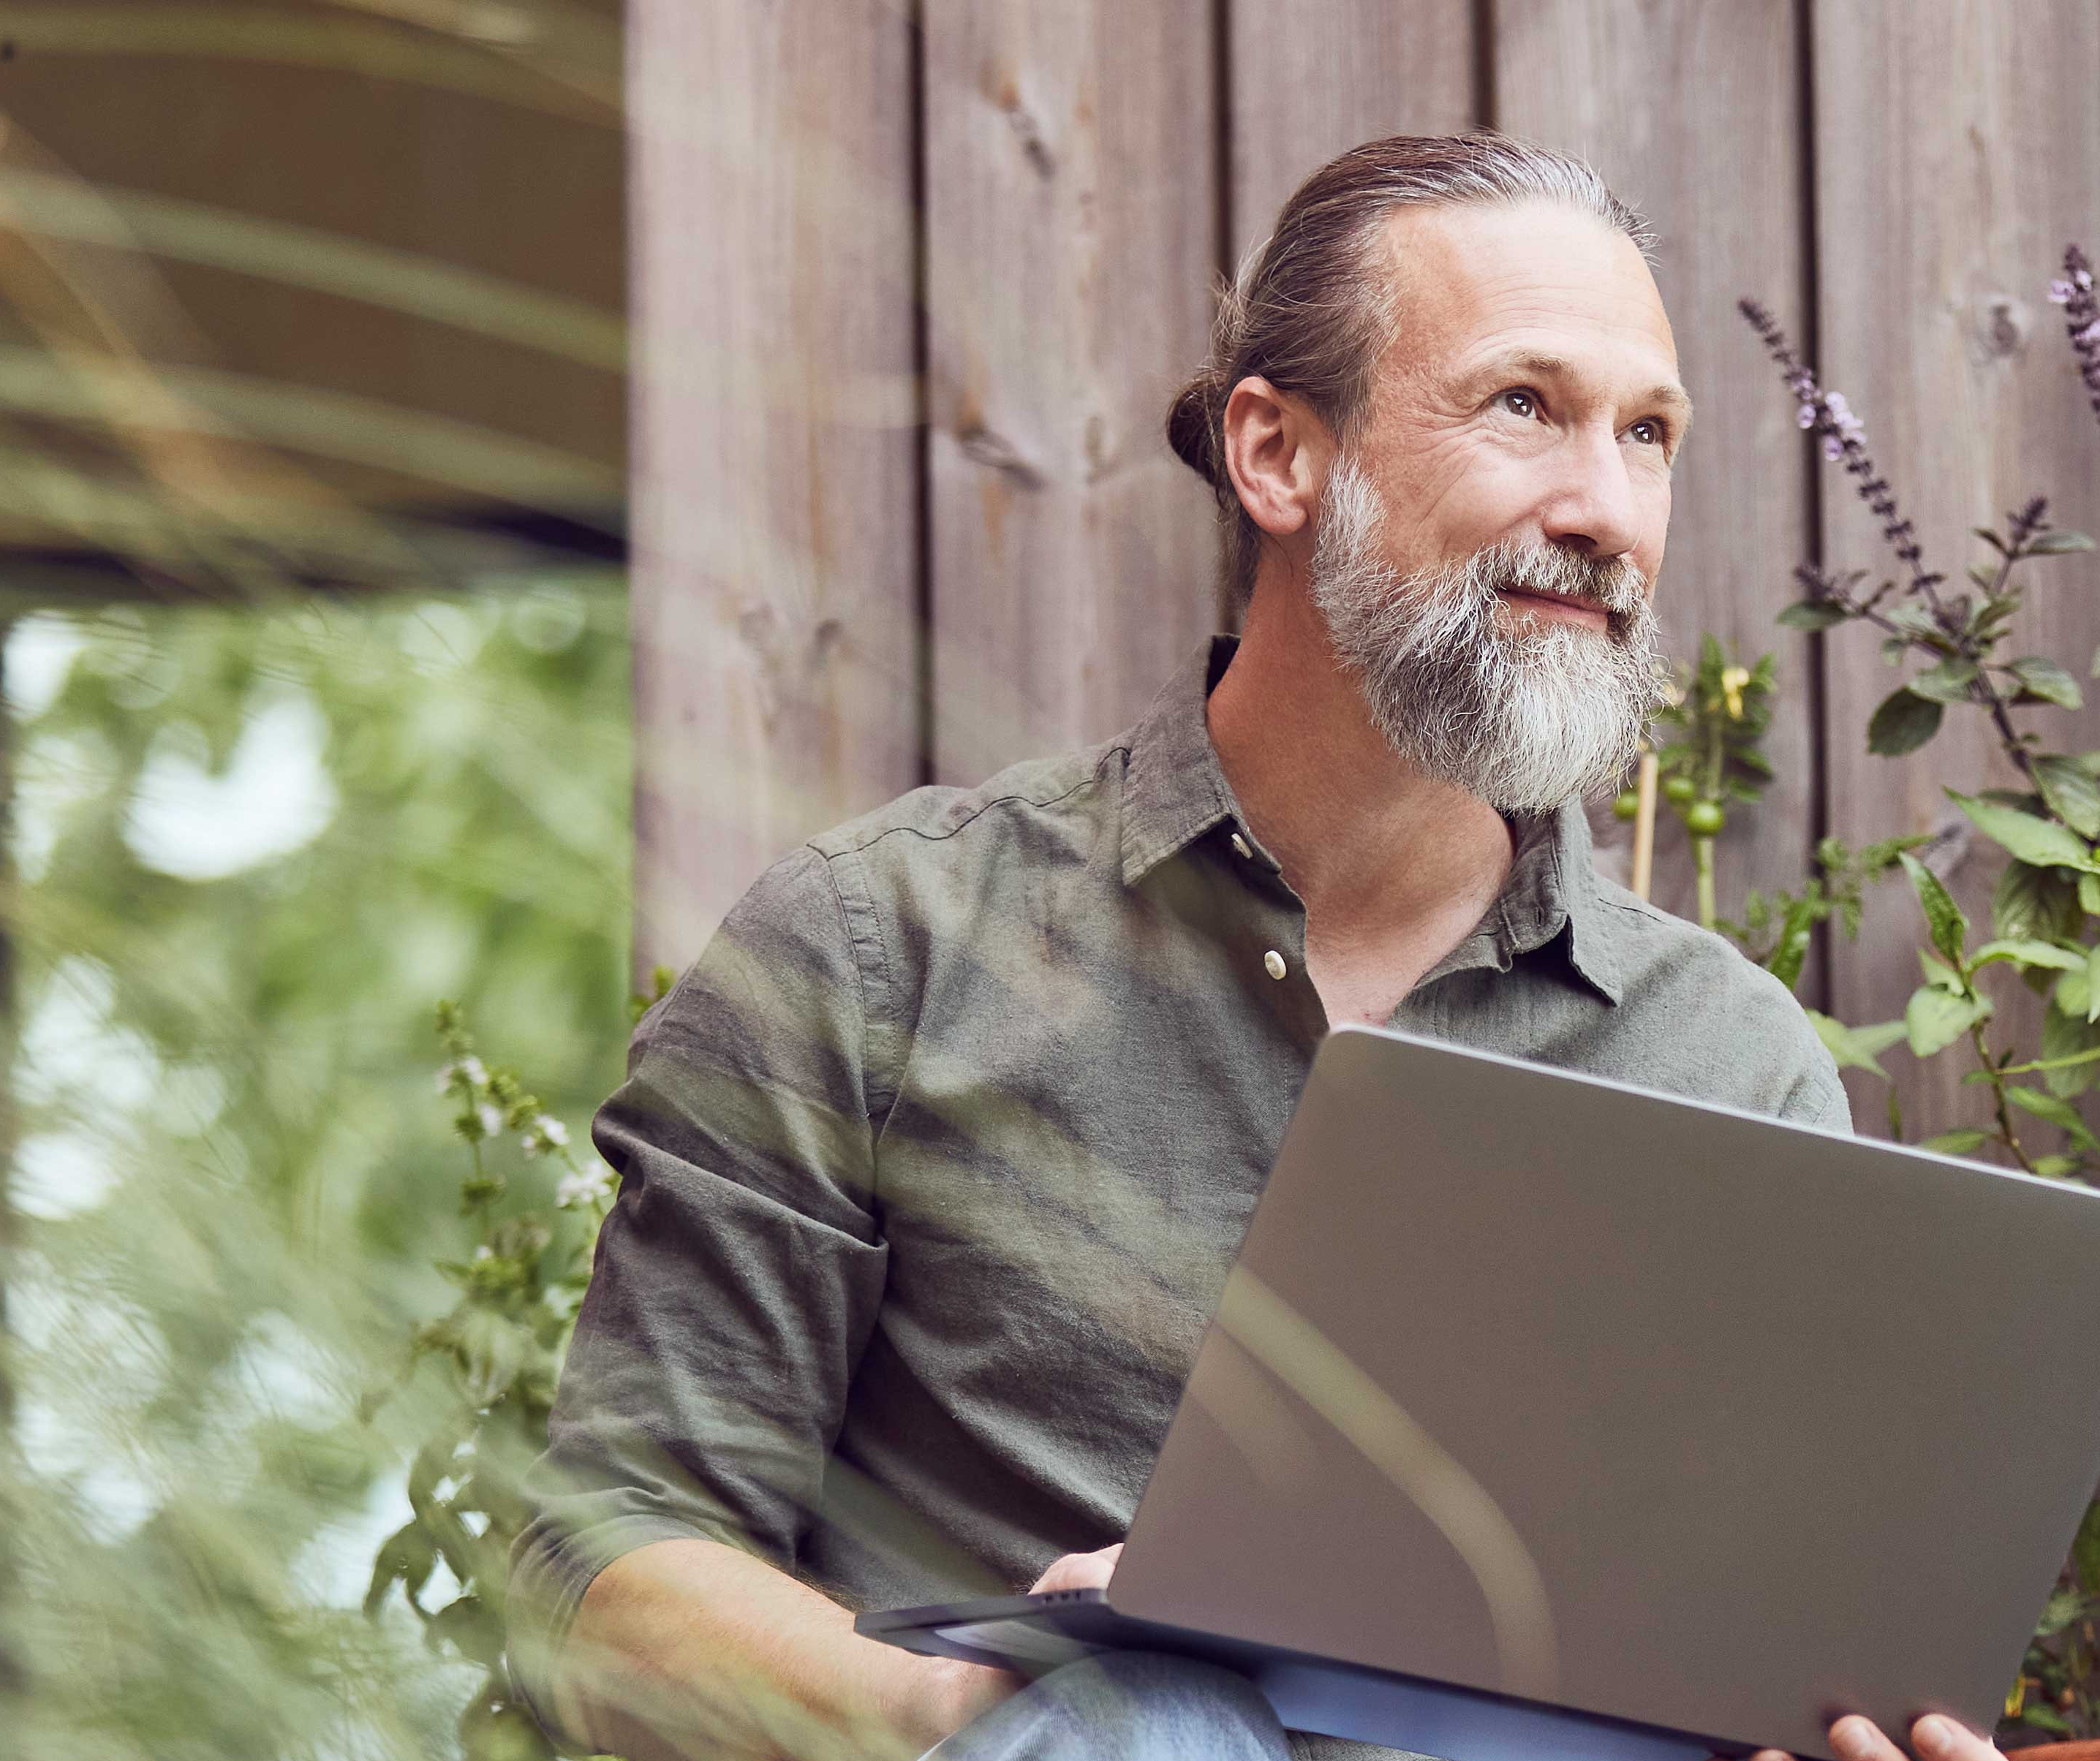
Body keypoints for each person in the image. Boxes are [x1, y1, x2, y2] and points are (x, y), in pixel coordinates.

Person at [513, 134, 2000, 1761]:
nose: (1604, 511)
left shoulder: (1732, 1063)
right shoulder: (879, 950)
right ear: (1278, 456)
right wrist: (973, 1709)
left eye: (1647, 436)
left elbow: (1763, 1660)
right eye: (1526, 408)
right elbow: (600, 1588)